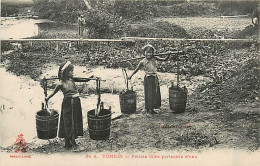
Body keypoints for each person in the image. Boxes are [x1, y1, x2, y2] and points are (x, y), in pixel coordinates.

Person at [45, 61, 93, 149]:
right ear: (65, 72)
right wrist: (47, 98)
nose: (73, 72)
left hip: (76, 102)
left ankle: (70, 141)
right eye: (71, 71)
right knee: (68, 122)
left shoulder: (72, 79)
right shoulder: (60, 83)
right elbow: (53, 93)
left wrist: (91, 77)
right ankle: (71, 142)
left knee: (75, 121)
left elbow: (84, 79)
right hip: (68, 104)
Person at [128, 44, 170, 114]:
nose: (149, 54)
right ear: (144, 53)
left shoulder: (154, 58)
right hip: (148, 79)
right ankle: (148, 109)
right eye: (147, 52)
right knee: (148, 94)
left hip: (154, 78)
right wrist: (131, 76)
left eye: (150, 52)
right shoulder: (142, 62)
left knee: (154, 93)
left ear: (153, 53)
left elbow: (164, 59)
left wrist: (168, 54)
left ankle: (151, 108)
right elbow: (136, 69)